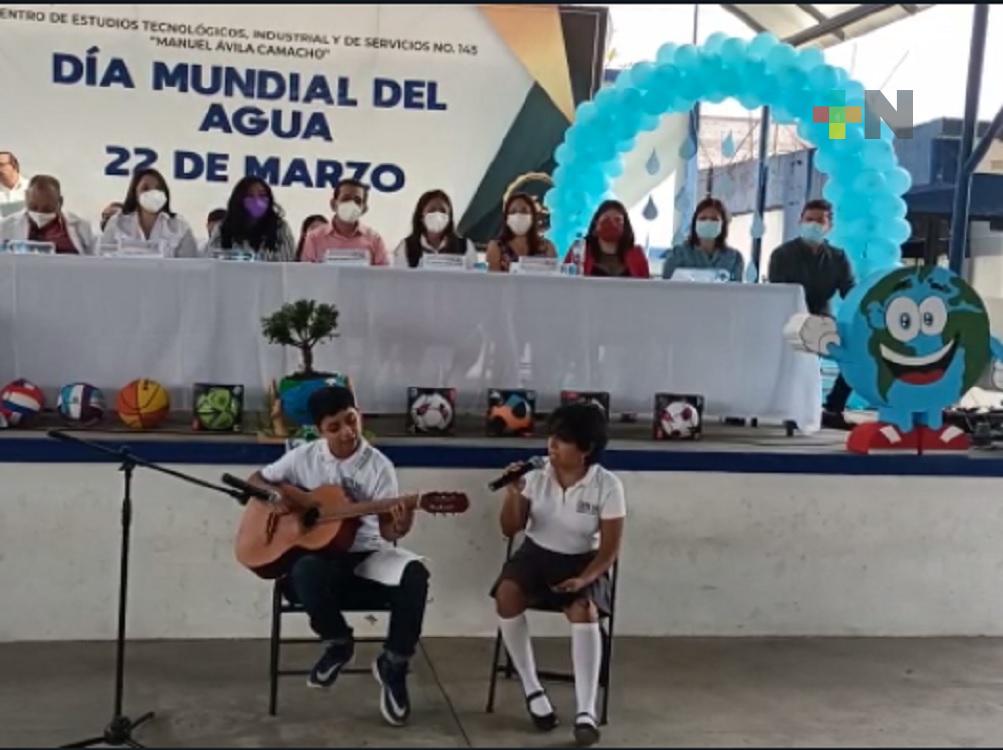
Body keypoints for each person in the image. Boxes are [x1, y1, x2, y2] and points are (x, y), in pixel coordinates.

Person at [248, 385, 429, 726]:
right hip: (323, 563)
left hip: (367, 558)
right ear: (320, 431)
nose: (347, 432)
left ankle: (394, 664)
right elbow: (258, 479)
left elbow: (389, 533)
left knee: (415, 574)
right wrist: (276, 496)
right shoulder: (305, 457)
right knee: (305, 570)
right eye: (335, 427)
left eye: (352, 420)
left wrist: (402, 523)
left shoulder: (379, 467)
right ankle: (338, 643)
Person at [492, 402, 625, 747]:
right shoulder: (535, 477)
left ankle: (585, 711)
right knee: (506, 596)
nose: (551, 445)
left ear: (587, 449)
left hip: (584, 560)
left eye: (562, 440)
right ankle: (533, 689)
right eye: (551, 436)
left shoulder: (607, 485)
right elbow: (510, 529)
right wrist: (513, 493)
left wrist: (584, 579)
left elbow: (610, 549)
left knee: (584, 610)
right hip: (535, 555)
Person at [768, 198, 855, 429]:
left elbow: (851, 293)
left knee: (857, 349)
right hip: (789, 322)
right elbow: (778, 296)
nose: (814, 225)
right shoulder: (781, 255)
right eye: (809, 220)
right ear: (800, 221)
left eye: (820, 221)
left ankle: (834, 408)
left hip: (824, 321)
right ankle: (793, 408)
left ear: (829, 226)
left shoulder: (839, 257)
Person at [100, 168, 199, 258]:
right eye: (145, 188)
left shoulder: (180, 226)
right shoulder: (117, 222)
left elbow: (191, 267)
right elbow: (103, 261)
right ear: (135, 193)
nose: (153, 193)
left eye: (158, 188)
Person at [300, 179, 389, 265]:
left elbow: (384, 276)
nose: (351, 204)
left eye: (357, 201)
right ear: (333, 204)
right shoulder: (314, 238)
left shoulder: (374, 240)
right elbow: (307, 275)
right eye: (345, 199)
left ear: (364, 209)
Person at [207, 176, 296, 261]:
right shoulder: (222, 229)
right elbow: (212, 260)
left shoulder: (281, 228)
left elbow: (287, 262)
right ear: (238, 199)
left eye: (262, 195)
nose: (257, 200)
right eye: (250, 195)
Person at [0, 175, 95, 254]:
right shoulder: (6, 227)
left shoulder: (82, 227)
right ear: (26, 198)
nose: (39, 214)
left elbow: (95, 263)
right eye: (34, 207)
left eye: (47, 209)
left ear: (60, 202)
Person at [661, 197, 744, 282]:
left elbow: (736, 292)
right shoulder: (678, 254)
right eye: (703, 218)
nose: (708, 222)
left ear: (723, 225)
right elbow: (666, 289)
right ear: (695, 222)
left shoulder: (734, 258)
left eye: (714, 219)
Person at [393, 190, 476, 268]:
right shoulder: (406, 246)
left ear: (449, 217)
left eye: (443, 211)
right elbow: (399, 279)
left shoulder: (465, 246)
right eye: (432, 210)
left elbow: (475, 279)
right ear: (421, 216)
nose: (438, 215)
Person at [567, 199, 650, 278]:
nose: (612, 224)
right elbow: (566, 282)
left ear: (625, 227)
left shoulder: (637, 254)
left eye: (617, 220)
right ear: (596, 224)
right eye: (606, 219)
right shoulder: (579, 250)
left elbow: (647, 287)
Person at [486, 192, 557, 272]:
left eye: (524, 211)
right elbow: (492, 281)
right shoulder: (496, 247)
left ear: (532, 217)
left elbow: (554, 280)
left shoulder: (547, 248)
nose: (518, 215)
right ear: (507, 219)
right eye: (513, 212)